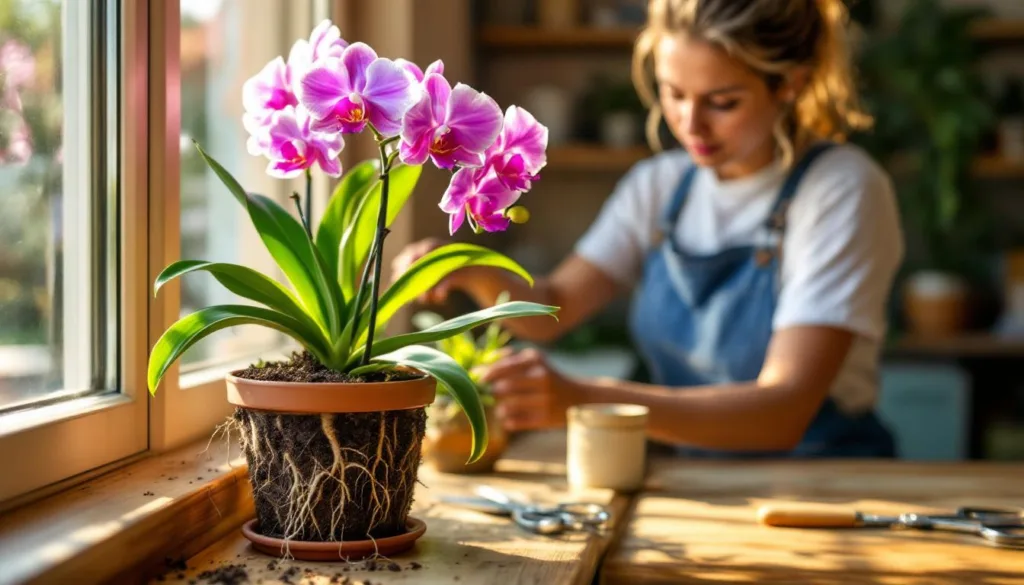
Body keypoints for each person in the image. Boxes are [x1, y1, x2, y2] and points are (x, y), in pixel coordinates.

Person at [392, 0, 905, 458]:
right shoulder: (660, 185)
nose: (690, 123)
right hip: (691, 480)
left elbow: (782, 411)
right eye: (672, 92)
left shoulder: (840, 188)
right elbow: (555, 307)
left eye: (722, 102)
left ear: (790, 83)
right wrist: (473, 268)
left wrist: (582, 399)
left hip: (826, 478)